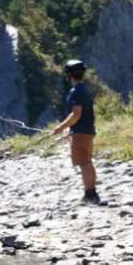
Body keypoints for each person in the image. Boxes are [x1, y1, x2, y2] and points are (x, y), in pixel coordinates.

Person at [50, 59, 99, 204]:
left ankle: (90, 195)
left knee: (84, 163)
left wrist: (61, 128)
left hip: (81, 132)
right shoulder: (85, 90)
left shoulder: (76, 92)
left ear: (68, 75)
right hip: (87, 131)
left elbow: (76, 114)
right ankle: (92, 193)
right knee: (87, 162)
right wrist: (70, 130)